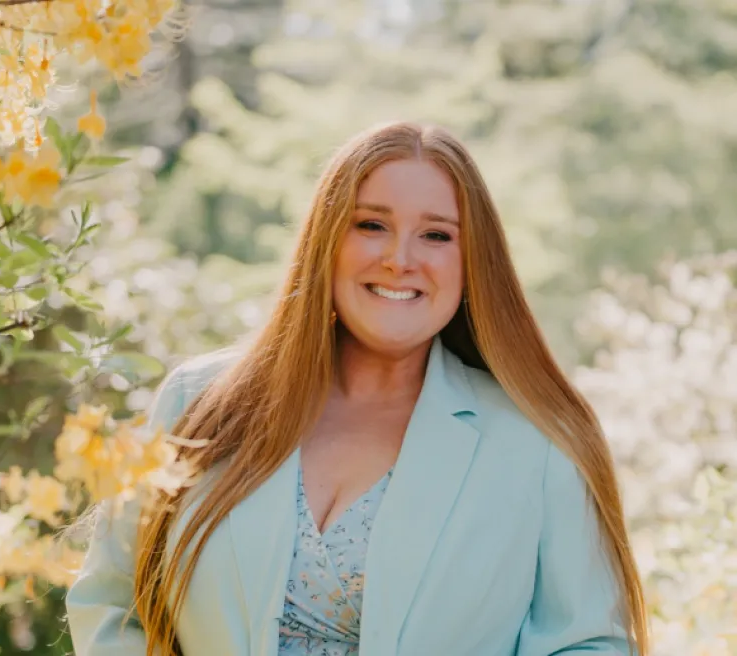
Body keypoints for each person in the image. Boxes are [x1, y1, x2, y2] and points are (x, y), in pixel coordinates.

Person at [65, 122, 648, 656]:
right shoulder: (195, 401)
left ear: (473, 261)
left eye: (436, 236)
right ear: (326, 241)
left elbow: (588, 645)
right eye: (371, 225)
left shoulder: (536, 443)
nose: (400, 259)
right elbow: (112, 606)